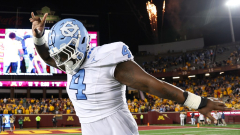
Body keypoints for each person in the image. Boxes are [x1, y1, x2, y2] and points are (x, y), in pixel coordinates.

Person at [29, 12, 232, 135]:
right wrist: (39, 38)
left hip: (117, 130)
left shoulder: (107, 60)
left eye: (65, 53)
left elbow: (154, 85)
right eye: (60, 55)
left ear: (81, 44)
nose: (62, 61)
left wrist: (199, 103)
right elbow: (48, 58)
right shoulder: (69, 61)